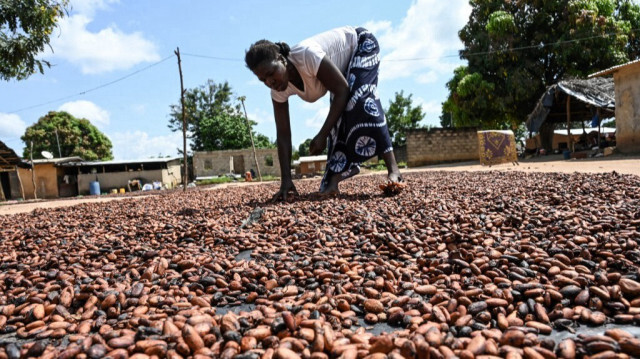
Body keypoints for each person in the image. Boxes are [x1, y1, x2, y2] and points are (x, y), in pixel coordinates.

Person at [245, 26, 402, 201]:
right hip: (340, 74)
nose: (270, 82)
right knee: (338, 115)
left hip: (360, 45)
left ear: (281, 59)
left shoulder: (306, 56)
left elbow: (342, 90)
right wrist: (286, 180)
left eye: (271, 73)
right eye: (262, 80)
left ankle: (393, 170)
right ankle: (335, 178)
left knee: (361, 99)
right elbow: (283, 134)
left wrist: (322, 135)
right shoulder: (278, 91)